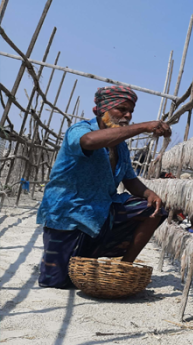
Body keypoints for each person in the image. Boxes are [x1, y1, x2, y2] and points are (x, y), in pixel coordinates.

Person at [37, 86, 171, 289]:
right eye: (122, 109)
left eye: (131, 112)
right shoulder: (81, 131)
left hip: (102, 212)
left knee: (154, 210)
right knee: (57, 282)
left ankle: (124, 267)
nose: (128, 115)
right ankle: (76, 256)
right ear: (101, 110)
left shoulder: (120, 145)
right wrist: (143, 127)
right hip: (69, 214)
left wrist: (149, 193)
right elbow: (89, 142)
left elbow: (130, 180)